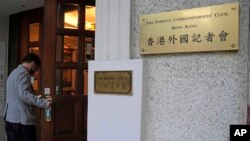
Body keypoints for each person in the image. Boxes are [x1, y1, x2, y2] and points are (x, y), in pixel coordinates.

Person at [3, 53, 52, 141]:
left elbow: (17, 94)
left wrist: (34, 97)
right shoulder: (23, 74)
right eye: (36, 68)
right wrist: (44, 103)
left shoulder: (13, 72)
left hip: (10, 118)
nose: (36, 70)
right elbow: (24, 94)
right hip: (21, 121)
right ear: (33, 63)